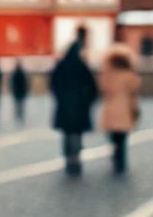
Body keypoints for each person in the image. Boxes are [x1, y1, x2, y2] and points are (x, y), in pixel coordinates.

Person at [49, 28, 99, 176]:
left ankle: (69, 158)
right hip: (79, 108)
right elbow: (93, 88)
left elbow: (54, 85)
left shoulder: (61, 66)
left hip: (65, 107)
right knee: (76, 134)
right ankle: (75, 159)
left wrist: (61, 98)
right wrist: (87, 101)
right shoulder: (82, 67)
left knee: (67, 134)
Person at [98, 43, 141, 174]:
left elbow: (103, 89)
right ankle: (121, 162)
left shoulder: (108, 75)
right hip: (125, 110)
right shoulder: (129, 75)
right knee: (122, 138)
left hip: (111, 110)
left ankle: (116, 156)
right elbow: (134, 90)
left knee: (114, 137)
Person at [10, 59, 30, 124]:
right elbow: (25, 84)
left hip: (18, 92)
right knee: (20, 105)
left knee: (18, 105)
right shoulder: (22, 73)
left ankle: (18, 117)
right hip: (20, 92)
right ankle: (20, 117)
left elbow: (13, 84)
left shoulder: (15, 73)